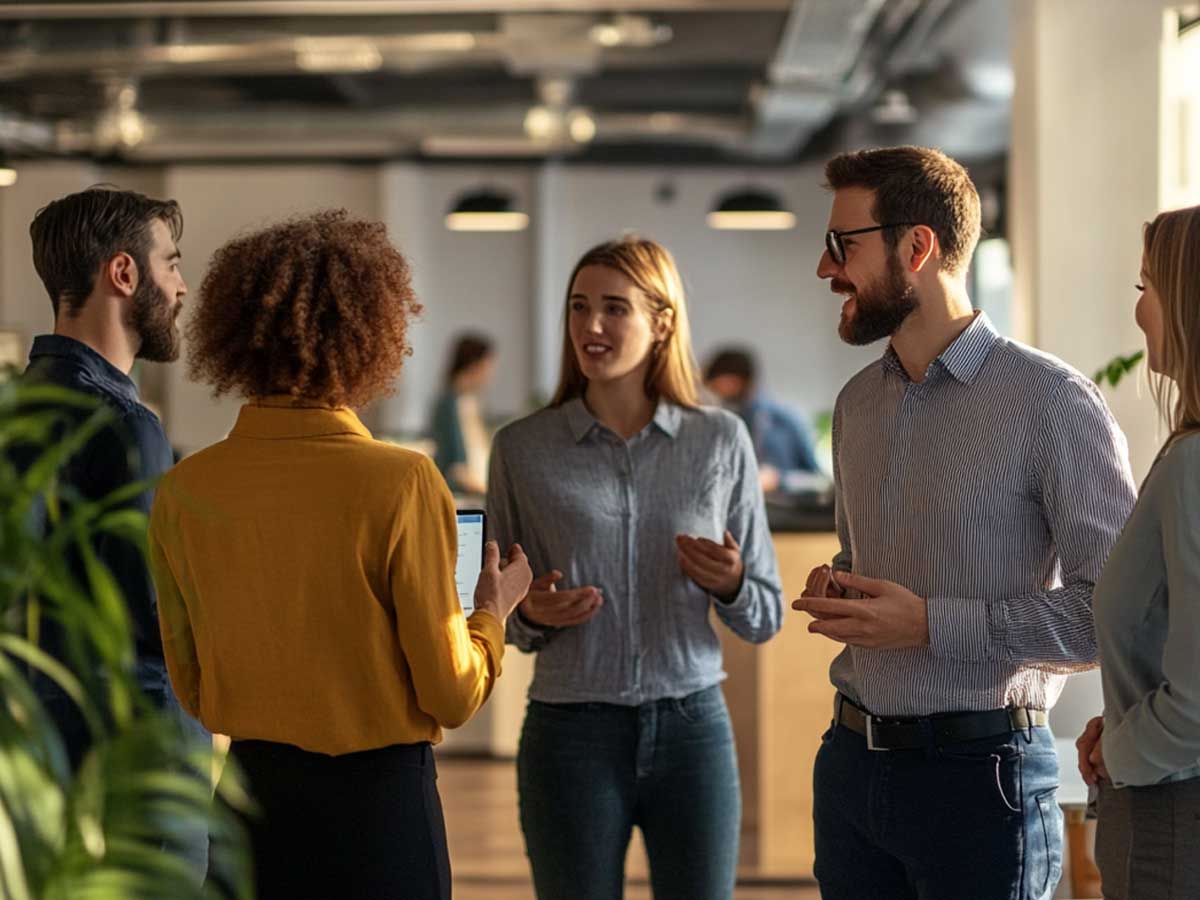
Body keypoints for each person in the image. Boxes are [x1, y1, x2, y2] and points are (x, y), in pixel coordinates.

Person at [147, 210, 532, 900]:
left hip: (249, 805)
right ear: (370, 336)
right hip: (379, 811)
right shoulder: (402, 482)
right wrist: (492, 614)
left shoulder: (184, 489)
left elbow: (196, 689)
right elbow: (449, 693)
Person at [791, 146, 1136, 900]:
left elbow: (1111, 614)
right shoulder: (857, 406)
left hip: (983, 783)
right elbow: (866, 554)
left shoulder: (1053, 401)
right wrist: (844, 587)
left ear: (916, 248)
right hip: (850, 768)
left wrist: (930, 624)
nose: (826, 270)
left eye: (842, 246)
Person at [487, 235, 783, 900]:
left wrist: (731, 582)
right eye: (578, 306)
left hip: (693, 730)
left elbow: (765, 613)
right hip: (569, 735)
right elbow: (483, 607)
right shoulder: (521, 449)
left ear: (662, 322)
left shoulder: (720, 440)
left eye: (615, 308)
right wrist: (529, 611)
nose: (591, 326)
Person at [1075, 204, 1200, 900]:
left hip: (1172, 818)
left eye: (1143, 287)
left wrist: (1122, 751)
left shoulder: (1194, 465)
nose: (1138, 311)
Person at [703, 345, 821, 491]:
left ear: (738, 380)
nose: (717, 394)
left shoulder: (785, 419)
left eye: (720, 385)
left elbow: (817, 479)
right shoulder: (725, 423)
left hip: (783, 510)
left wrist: (779, 479)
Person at [430, 332, 495, 495]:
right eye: (488, 365)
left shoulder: (470, 402)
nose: (490, 373)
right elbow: (455, 468)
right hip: (464, 494)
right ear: (474, 364)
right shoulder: (449, 405)